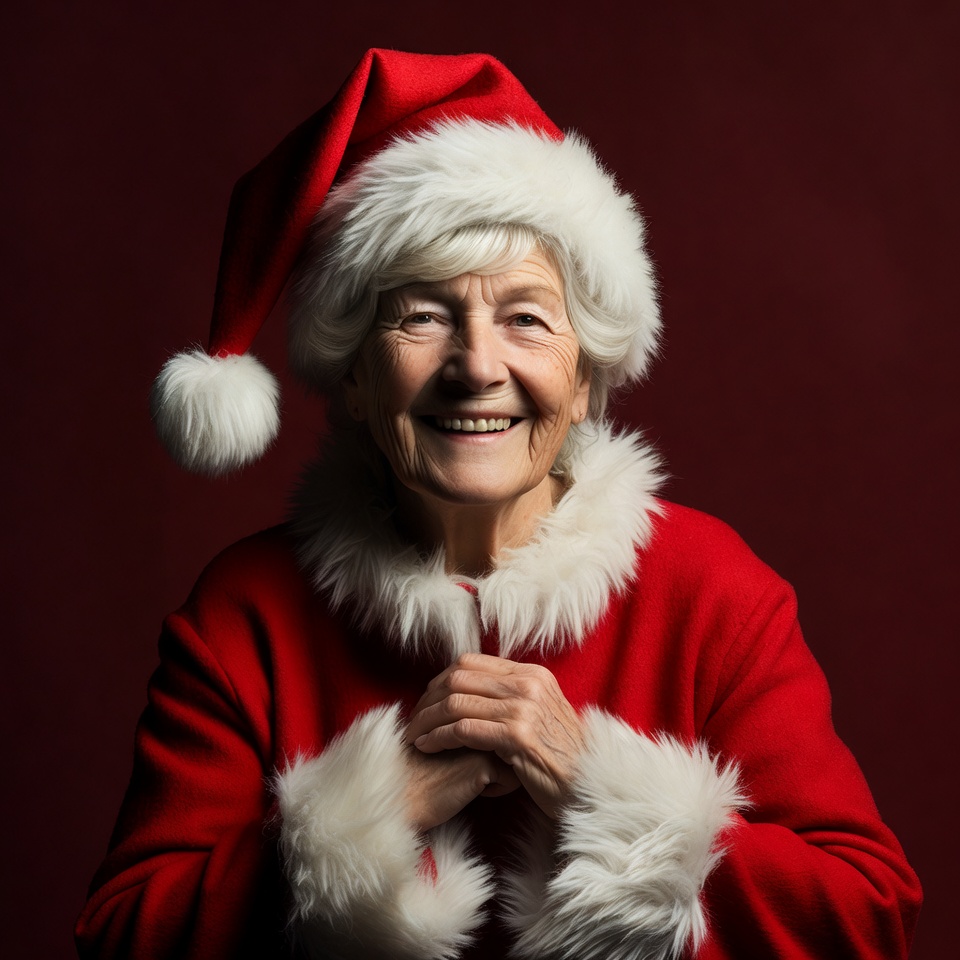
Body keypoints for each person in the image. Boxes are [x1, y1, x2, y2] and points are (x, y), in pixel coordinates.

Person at [75, 50, 921, 959]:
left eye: (526, 318)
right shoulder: (244, 615)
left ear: (586, 375)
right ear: (354, 375)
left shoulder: (713, 593)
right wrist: (359, 821)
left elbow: (867, 918)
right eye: (423, 316)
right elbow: (121, 934)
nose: (477, 367)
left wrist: (604, 793)